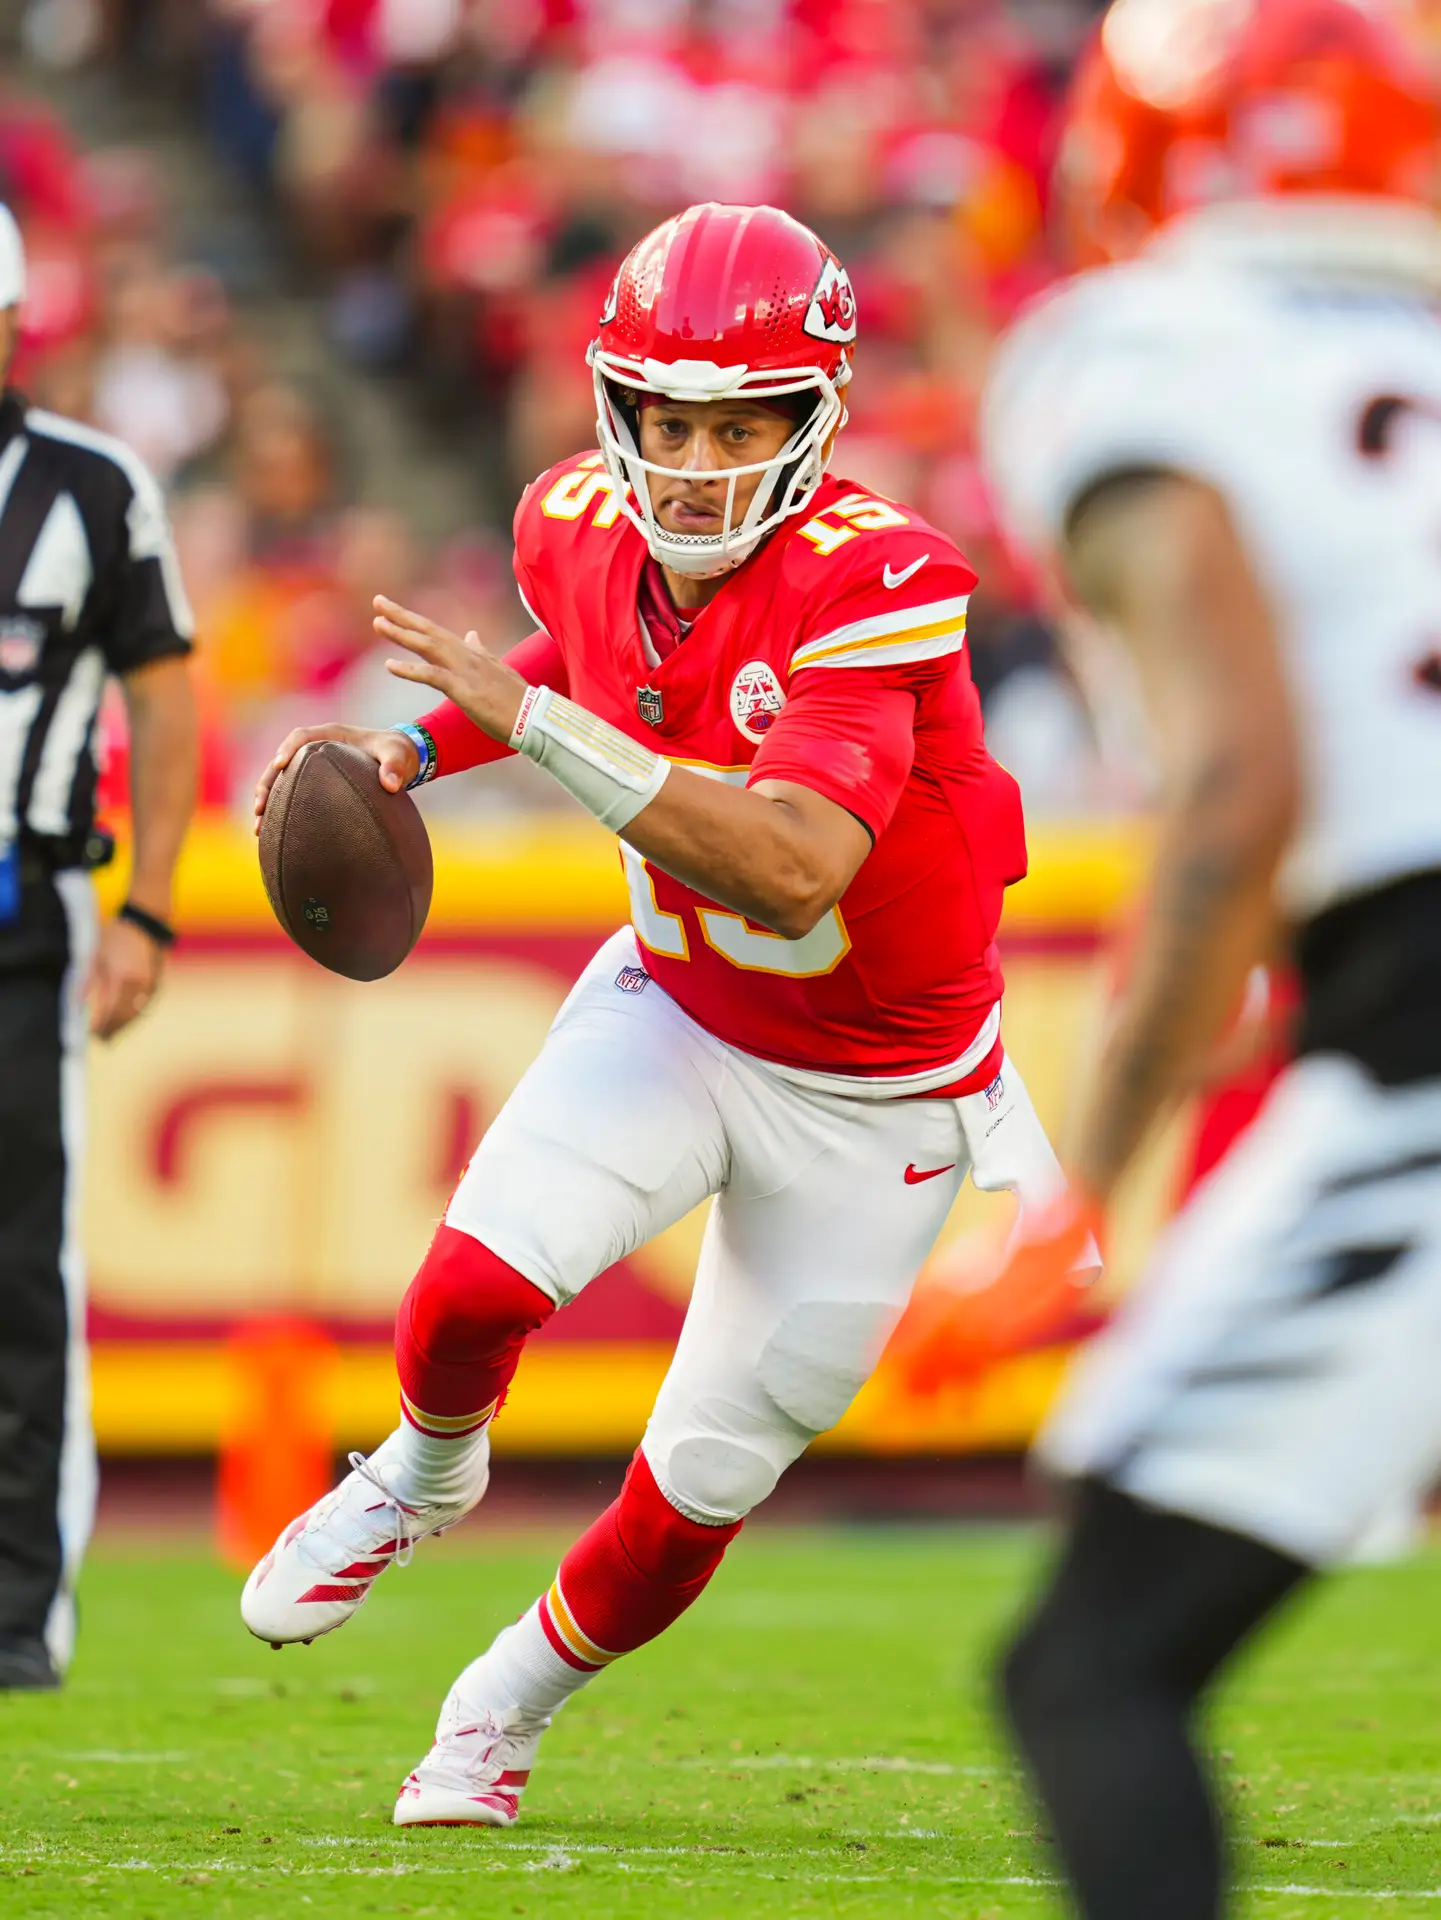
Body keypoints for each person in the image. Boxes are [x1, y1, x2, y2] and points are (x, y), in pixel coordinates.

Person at [242, 201, 1068, 1827]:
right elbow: (593, 658)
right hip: (681, 1006)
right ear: (620, 406)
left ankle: (497, 1710)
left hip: (881, 1093)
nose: (693, 461)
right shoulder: (575, 519)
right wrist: (410, 759)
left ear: (810, 420)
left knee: (698, 1484)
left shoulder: (881, 577)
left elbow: (791, 869)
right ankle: (419, 1474)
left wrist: (531, 724)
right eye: (669, 418)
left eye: (739, 423)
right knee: (473, 1285)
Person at [960, 2, 1441, 1913]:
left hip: (1420, 1016)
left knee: (1091, 1663)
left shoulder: (1145, 345)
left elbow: (1238, 794)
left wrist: (1075, 1187)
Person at [0, 202, 197, 1689]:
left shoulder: (88, 485)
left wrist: (146, 903)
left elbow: (166, 691)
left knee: (21, 1266)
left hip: (27, 910)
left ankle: (20, 1614)